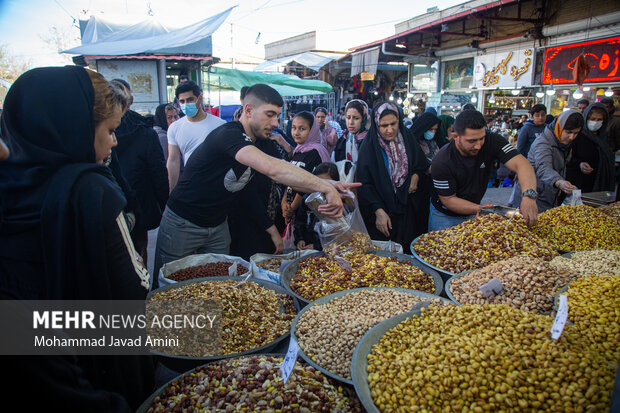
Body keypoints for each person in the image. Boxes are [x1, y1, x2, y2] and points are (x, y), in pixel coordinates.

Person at [0, 66, 153, 410]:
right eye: (110, 130)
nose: (114, 141)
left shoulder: (8, 182)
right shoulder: (92, 190)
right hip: (101, 365)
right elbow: (135, 288)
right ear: (76, 128)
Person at [154, 84, 351, 284]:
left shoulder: (263, 142)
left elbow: (285, 169)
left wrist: (331, 184)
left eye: (277, 116)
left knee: (221, 285)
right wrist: (324, 187)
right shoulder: (229, 134)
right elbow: (273, 168)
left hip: (218, 225)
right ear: (248, 110)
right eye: (269, 114)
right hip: (183, 221)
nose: (275, 122)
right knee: (167, 287)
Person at [429, 110, 538, 231]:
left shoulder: (492, 141)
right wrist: (479, 208)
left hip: (475, 209)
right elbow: (448, 200)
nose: (478, 145)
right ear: (455, 136)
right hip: (445, 216)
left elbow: (522, 164)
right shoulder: (442, 161)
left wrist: (529, 197)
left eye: (481, 138)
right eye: (471, 141)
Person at [357, 101, 431, 252]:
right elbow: (364, 183)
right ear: (377, 124)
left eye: (393, 124)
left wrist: (416, 176)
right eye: (384, 126)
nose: (390, 130)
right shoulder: (369, 147)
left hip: (408, 212)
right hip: (383, 214)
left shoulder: (408, 139)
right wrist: (378, 211)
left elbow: (421, 165)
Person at [110, 79, 169, 262]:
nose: (112, 141)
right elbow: (158, 171)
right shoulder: (143, 130)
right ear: (131, 101)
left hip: (120, 204)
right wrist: (164, 202)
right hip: (133, 203)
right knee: (136, 256)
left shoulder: (96, 129)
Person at [513, 110, 584, 211]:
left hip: (549, 194)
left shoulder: (564, 145)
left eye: (576, 133)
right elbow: (543, 168)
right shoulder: (543, 143)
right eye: (568, 132)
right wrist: (559, 181)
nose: (572, 137)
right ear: (559, 128)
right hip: (533, 194)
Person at [166, 80, 226, 192]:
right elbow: (173, 161)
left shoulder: (220, 125)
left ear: (200, 98)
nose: (186, 104)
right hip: (191, 186)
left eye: (190, 100)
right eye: (182, 101)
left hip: (215, 186)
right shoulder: (175, 128)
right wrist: (172, 191)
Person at [281, 111, 331, 225]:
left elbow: (306, 185)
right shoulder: (297, 151)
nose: (296, 133)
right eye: (294, 128)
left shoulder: (316, 152)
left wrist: (292, 208)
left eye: (302, 129)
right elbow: (288, 179)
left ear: (312, 130)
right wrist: (284, 202)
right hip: (290, 207)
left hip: (305, 212)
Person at [565, 103, 615, 193]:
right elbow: (567, 159)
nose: (595, 122)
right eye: (592, 119)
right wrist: (580, 164)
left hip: (599, 184)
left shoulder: (604, 139)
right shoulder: (577, 136)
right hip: (579, 183)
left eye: (599, 119)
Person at [294, 162, 340, 251]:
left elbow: (339, 234)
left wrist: (317, 246)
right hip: (306, 248)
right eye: (318, 182)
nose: (322, 186)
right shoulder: (307, 199)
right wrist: (300, 239)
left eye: (327, 183)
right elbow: (300, 222)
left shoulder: (338, 203)